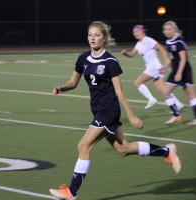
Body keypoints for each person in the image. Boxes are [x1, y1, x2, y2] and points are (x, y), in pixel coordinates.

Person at [49, 21, 181, 200]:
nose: (92, 38)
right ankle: (167, 151)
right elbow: (73, 82)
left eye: (96, 35)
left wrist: (131, 115)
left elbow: (119, 91)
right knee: (123, 149)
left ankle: (71, 192)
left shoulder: (111, 61)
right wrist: (62, 88)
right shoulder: (83, 59)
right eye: (90, 35)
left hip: (109, 111)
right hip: (98, 111)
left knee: (83, 145)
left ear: (104, 38)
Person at [121, 25, 183, 110]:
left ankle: (151, 99)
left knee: (137, 83)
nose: (135, 33)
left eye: (137, 31)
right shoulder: (138, 44)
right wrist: (126, 53)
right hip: (152, 67)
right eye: (134, 32)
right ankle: (178, 104)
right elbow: (132, 54)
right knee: (162, 90)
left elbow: (160, 48)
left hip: (154, 67)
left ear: (142, 31)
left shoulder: (148, 40)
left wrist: (166, 61)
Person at [161, 21, 196, 125]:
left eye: (170, 29)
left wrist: (179, 73)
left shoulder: (179, 42)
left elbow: (183, 59)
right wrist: (164, 67)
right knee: (165, 92)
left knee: (190, 94)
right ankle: (176, 115)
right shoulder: (168, 41)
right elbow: (172, 58)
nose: (168, 31)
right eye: (166, 30)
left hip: (184, 71)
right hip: (175, 71)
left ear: (174, 29)